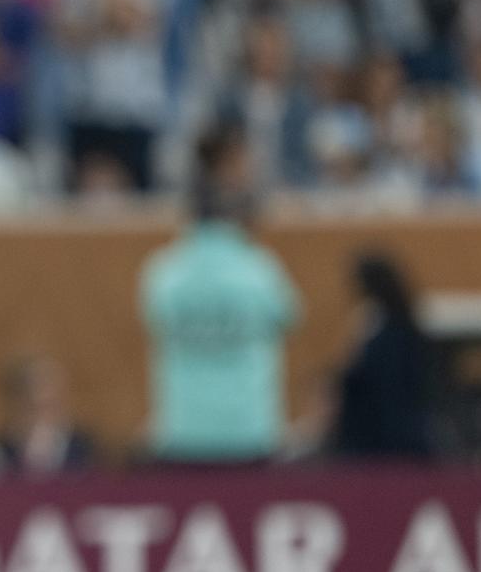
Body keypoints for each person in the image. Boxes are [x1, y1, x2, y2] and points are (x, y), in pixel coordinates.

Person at [140, 129, 299, 461]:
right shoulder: (260, 270)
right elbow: (289, 320)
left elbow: (153, 321)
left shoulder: (162, 272)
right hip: (250, 432)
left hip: (183, 432)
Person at [326, 253, 434, 459]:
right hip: (397, 428)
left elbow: (356, 376)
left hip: (378, 433)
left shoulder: (379, 327)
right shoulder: (400, 324)